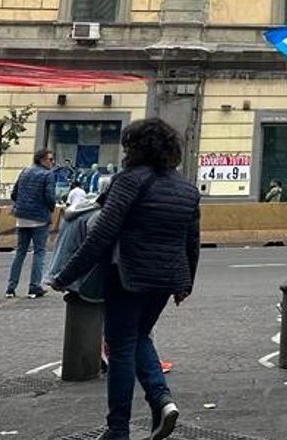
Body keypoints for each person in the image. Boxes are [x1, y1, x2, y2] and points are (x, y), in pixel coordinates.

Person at [49, 118, 200, 440]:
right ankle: (161, 401)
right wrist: (187, 283)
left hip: (128, 274)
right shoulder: (186, 188)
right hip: (167, 278)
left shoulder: (129, 181)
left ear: (136, 148)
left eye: (128, 145)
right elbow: (192, 240)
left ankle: (118, 429)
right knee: (140, 337)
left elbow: (102, 233)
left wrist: (66, 275)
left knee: (120, 347)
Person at [5, 148, 57, 299]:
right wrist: (51, 207)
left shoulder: (25, 172)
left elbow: (14, 194)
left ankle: (10, 288)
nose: (52, 163)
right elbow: (49, 197)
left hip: (21, 217)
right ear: (42, 160)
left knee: (20, 251)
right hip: (40, 217)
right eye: (50, 159)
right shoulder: (48, 175)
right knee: (39, 252)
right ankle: (34, 287)